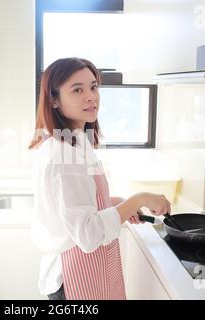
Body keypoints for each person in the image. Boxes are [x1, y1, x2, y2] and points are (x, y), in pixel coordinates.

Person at [28, 57, 171, 300]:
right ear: (53, 100)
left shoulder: (73, 141)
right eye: (77, 90)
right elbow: (88, 233)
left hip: (84, 272)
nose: (90, 96)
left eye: (93, 87)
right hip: (72, 279)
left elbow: (81, 204)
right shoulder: (64, 153)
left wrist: (120, 203)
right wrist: (139, 199)